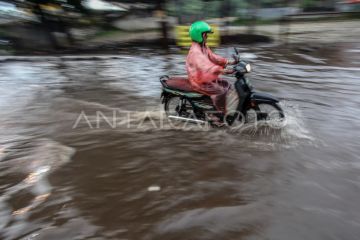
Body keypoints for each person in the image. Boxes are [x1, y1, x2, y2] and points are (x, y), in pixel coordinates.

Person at [186, 21, 239, 120]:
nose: (207, 37)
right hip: (199, 81)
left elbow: (213, 58)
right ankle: (217, 116)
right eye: (206, 35)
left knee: (226, 85)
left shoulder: (203, 47)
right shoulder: (195, 51)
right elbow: (206, 66)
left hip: (204, 77)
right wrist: (223, 70)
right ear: (199, 35)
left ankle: (220, 109)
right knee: (220, 91)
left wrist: (229, 62)